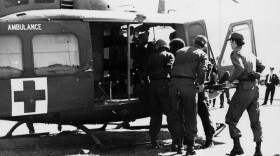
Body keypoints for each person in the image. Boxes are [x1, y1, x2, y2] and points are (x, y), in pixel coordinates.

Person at [224, 32, 265, 156]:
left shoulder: (235, 53)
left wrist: (229, 82)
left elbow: (240, 69)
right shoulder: (250, 53)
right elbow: (261, 66)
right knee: (255, 121)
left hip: (244, 89)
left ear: (235, 42)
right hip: (255, 89)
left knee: (231, 119)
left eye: (231, 41)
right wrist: (254, 73)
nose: (230, 44)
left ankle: (237, 147)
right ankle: (258, 150)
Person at [169, 35, 208, 155]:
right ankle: (190, 148)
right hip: (188, 85)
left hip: (174, 85)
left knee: (176, 115)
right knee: (191, 116)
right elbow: (203, 70)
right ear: (203, 46)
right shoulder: (201, 54)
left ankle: (179, 146)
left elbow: (171, 66)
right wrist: (201, 84)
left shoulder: (180, 51)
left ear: (193, 42)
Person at [143, 39, 178, 149]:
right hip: (165, 85)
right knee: (171, 113)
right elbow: (171, 72)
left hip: (153, 86)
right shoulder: (169, 55)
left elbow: (144, 75)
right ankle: (175, 142)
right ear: (166, 46)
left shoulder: (151, 57)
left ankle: (154, 142)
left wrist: (150, 85)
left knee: (155, 115)